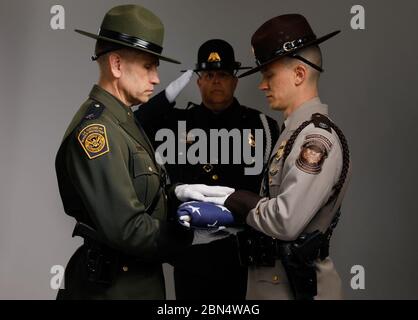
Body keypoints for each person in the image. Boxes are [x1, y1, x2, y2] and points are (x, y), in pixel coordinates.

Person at [54, 4, 233, 300]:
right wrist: (190, 236)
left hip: (135, 282)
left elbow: (143, 193)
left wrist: (176, 193)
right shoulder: (98, 131)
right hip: (113, 288)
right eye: (149, 66)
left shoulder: (124, 121)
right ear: (116, 65)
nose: (157, 78)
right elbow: (128, 229)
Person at [183, 14, 351, 300]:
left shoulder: (315, 139)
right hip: (273, 282)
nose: (262, 85)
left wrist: (231, 200)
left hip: (298, 288)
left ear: (299, 74)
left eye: (269, 75)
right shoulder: (290, 134)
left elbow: (285, 221)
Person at [135, 39, 280, 299]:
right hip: (192, 253)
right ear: (198, 81)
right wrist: (167, 96)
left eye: (223, 75)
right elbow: (135, 125)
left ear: (235, 80)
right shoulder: (177, 122)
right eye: (209, 75)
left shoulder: (262, 126)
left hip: (242, 252)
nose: (216, 81)